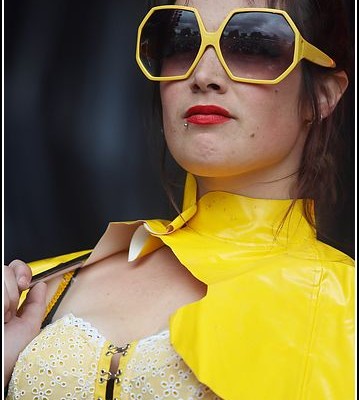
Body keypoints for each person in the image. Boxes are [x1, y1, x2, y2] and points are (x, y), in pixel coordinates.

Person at [4, 0, 354, 399]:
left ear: (323, 95)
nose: (203, 76)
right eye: (181, 40)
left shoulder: (346, 310)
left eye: (253, 43)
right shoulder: (36, 287)